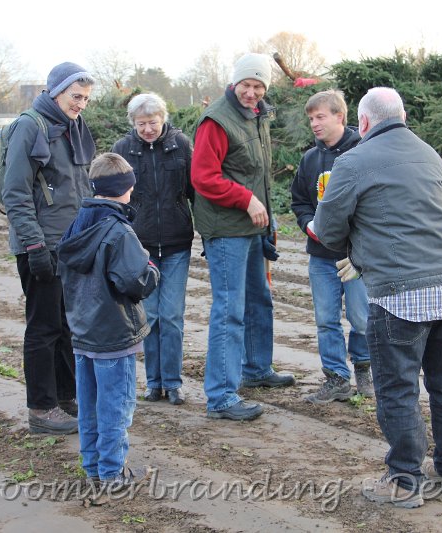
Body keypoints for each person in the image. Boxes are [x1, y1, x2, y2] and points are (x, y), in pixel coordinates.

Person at [313, 87, 442, 508]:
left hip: (400, 292)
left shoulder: (353, 161)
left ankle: (404, 481)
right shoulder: (430, 154)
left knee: (397, 388)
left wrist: (357, 249)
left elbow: (327, 230)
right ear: (401, 115)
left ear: (361, 123)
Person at [191, 52, 295, 421]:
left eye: (258, 86)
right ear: (234, 83)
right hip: (226, 229)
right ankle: (220, 396)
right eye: (246, 85)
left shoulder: (257, 115)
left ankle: (256, 368)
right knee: (229, 310)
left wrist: (267, 218)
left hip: (253, 226)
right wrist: (246, 199)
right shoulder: (217, 120)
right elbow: (203, 177)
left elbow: (256, 172)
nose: (251, 92)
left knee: (259, 300)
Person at [1, 62, 96, 434]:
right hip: (41, 245)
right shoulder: (30, 126)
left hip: (70, 243)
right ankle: (41, 409)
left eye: (86, 98)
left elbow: (79, 186)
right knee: (43, 328)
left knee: (67, 326)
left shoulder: (73, 126)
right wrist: (35, 245)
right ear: (56, 91)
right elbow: (16, 193)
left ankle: (66, 398)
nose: (81, 104)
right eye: (76, 97)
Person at [56, 152, 160, 490]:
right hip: (114, 334)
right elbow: (135, 281)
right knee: (116, 406)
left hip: (83, 331)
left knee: (89, 406)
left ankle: (94, 468)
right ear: (125, 188)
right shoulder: (119, 231)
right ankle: (113, 474)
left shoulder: (76, 224)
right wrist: (151, 269)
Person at [290, 89, 373, 404]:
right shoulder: (311, 159)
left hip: (355, 256)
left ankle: (364, 370)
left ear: (340, 116)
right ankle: (336, 379)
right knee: (326, 319)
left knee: (361, 317)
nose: (314, 123)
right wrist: (308, 223)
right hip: (321, 257)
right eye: (311, 118)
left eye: (320, 116)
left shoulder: (363, 153)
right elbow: (299, 200)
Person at [111, 93, 194, 406]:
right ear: (133, 123)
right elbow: (113, 196)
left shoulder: (181, 145)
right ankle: (154, 382)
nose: (148, 129)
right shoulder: (123, 149)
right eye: (142, 123)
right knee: (152, 316)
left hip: (176, 243)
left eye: (153, 122)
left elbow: (196, 190)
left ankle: (173, 383)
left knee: (172, 316)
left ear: (163, 119)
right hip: (140, 246)